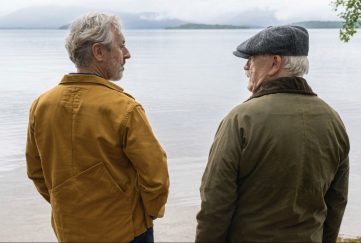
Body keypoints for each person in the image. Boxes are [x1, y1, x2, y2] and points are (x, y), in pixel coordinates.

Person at [195, 26, 349, 242]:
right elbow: (337, 200)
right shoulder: (333, 120)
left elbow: (215, 201)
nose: (246, 66)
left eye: (251, 59)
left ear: (275, 63)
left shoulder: (241, 119)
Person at [26, 12, 169, 242]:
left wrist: (68, 207)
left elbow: (36, 172)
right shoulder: (124, 109)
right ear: (99, 52)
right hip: (126, 233)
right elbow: (156, 177)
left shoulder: (41, 106)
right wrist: (145, 216)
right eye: (121, 45)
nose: (127, 54)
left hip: (69, 232)